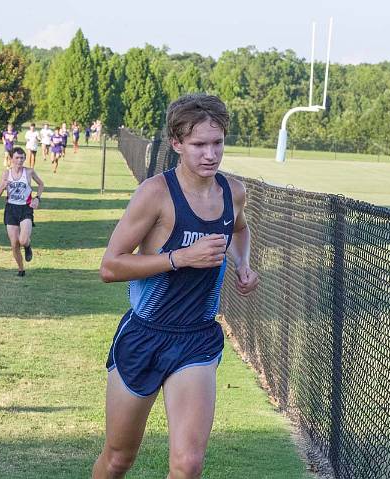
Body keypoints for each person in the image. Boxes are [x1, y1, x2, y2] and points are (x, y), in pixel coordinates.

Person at [92, 94, 259, 479]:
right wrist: (179, 258)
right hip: (144, 336)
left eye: (217, 143)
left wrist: (243, 263)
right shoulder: (155, 194)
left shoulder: (233, 192)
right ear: (177, 143)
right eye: (199, 144)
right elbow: (110, 266)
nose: (210, 154)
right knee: (119, 458)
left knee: (188, 465)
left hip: (198, 340)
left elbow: (239, 228)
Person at [0, 147, 44, 277]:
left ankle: (27, 246)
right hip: (11, 209)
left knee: (22, 240)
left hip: (25, 208)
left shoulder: (29, 172)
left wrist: (37, 198)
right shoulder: (6, 174)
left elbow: (40, 184)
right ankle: (21, 269)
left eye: (22, 158)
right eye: (17, 158)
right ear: (11, 159)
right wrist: (2, 187)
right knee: (14, 243)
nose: (20, 160)